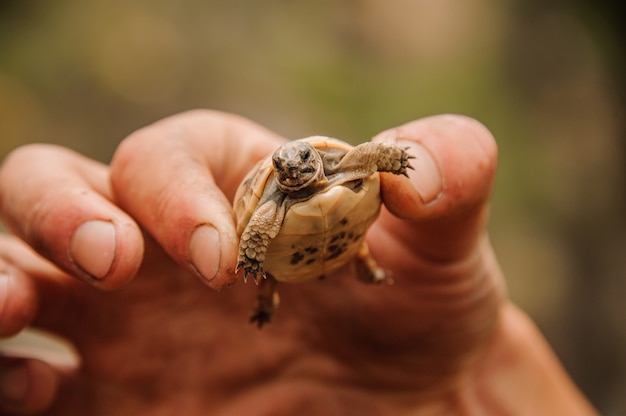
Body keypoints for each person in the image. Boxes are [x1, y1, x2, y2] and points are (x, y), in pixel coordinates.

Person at [0, 110, 597, 415]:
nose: (295, 172)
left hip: (349, 239)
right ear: (281, 174)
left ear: (315, 162)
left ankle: (361, 267)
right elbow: (257, 230)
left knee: (360, 252)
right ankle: (268, 300)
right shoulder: (271, 205)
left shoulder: (345, 165)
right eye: (287, 171)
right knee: (269, 281)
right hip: (288, 260)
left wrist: (395, 157)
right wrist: (251, 266)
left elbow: (372, 157)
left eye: (301, 165)